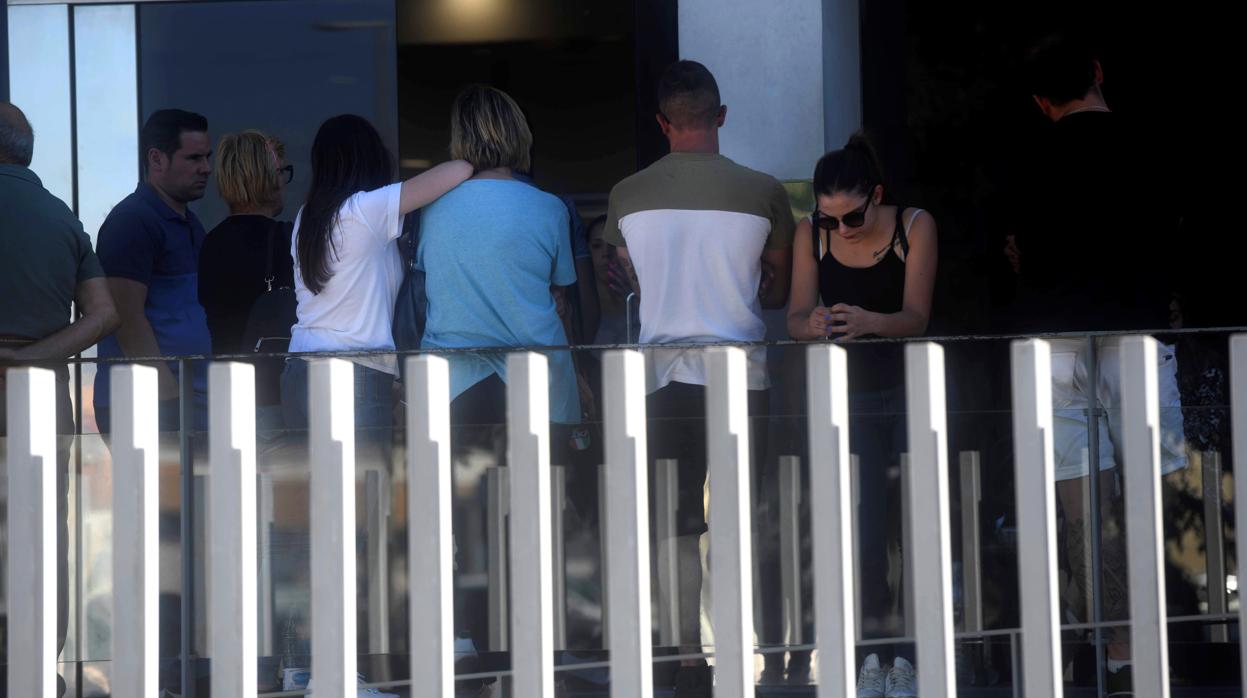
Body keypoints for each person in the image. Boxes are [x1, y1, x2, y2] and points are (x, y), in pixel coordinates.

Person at [603, 60, 794, 693]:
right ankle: (747, 649)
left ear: (662, 124)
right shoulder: (765, 192)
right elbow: (778, 290)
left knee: (675, 520)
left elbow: (627, 281)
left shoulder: (627, 195)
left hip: (661, 377)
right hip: (743, 376)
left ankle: (686, 657)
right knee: (742, 516)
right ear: (721, 116)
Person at [1008, 33, 1187, 695]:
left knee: (1083, 502)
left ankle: (1115, 648)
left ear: (1040, 102)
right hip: (1136, 332)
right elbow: (1176, 234)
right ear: (1098, 72)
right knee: (1154, 490)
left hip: (1054, 340)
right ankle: (1165, 638)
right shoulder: (1151, 145)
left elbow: (1016, 252)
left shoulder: (1027, 157)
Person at [786, 133, 936, 694]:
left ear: (877, 196)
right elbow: (795, 319)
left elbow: (917, 316)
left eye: (851, 217)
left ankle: (911, 658)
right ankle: (870, 657)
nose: (841, 229)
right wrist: (815, 325)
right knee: (865, 530)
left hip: (911, 389)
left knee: (915, 526)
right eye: (829, 219)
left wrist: (870, 321)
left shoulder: (914, 225)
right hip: (849, 396)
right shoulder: (810, 234)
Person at [0, 101, 121, 697]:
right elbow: (104, 314)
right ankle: (34, 664)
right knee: (44, 529)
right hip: (42, 394)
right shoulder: (62, 218)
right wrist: (32, 357)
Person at [282, 114, 470, 438]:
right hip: (352, 370)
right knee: (365, 473)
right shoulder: (364, 209)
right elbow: (459, 170)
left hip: (298, 369)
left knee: (308, 473)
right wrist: (484, 152)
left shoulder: (307, 217)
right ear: (369, 159)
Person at [417, 85, 582, 428]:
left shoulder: (430, 209)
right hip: (539, 383)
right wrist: (578, 376)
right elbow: (560, 300)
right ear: (520, 134)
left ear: (459, 138)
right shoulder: (549, 208)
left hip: (450, 385)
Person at [93, 109, 214, 433]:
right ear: (157, 159)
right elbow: (126, 317)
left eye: (207, 157)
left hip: (185, 400)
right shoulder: (132, 221)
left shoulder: (190, 223)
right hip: (148, 404)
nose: (206, 168)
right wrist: (168, 398)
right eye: (194, 158)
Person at [198, 130, 293, 431]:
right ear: (266, 177)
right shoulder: (287, 240)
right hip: (272, 393)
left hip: (226, 392)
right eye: (281, 172)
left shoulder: (210, 243)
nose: (284, 182)